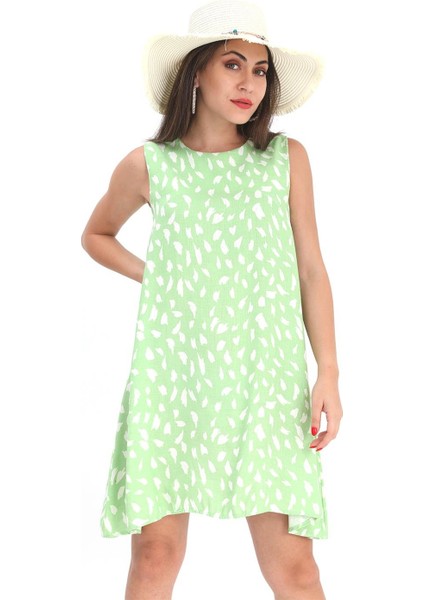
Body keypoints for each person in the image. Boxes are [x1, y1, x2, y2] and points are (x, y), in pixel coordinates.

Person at [81, 0, 343, 598]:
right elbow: (96, 235)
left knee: (296, 571)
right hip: (174, 376)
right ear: (195, 71)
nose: (250, 83)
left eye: (260, 70)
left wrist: (328, 371)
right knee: (155, 557)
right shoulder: (151, 165)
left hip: (266, 380)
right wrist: (158, 276)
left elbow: (311, 270)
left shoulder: (284, 159)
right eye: (232, 64)